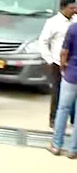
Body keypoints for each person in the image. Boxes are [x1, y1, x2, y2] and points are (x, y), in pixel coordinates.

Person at [39, 0, 77, 128]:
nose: (74, 10)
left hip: (72, 63)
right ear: (63, 8)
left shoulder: (75, 21)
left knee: (73, 92)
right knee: (57, 91)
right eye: (71, 8)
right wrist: (49, 59)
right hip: (57, 62)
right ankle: (54, 118)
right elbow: (43, 41)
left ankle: (73, 118)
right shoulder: (53, 22)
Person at [48, 21, 77, 157]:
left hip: (71, 74)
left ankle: (56, 145)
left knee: (63, 109)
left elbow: (64, 52)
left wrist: (63, 68)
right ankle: (73, 149)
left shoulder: (73, 28)